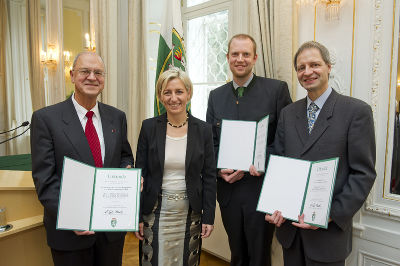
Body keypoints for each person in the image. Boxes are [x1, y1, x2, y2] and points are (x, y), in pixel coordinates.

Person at [265, 41, 376, 266]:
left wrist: (330, 214)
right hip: (290, 232)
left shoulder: (356, 112)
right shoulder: (288, 113)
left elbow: (363, 173)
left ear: (328, 66)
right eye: (301, 67)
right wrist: (273, 205)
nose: (308, 72)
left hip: (328, 235)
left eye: (314, 64)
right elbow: (278, 163)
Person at [31, 51, 134, 266]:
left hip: (111, 230)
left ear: (104, 79)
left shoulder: (117, 117)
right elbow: (45, 179)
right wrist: (71, 216)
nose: (92, 77)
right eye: (85, 71)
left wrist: (128, 172)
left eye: (98, 72)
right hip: (70, 234)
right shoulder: (46, 119)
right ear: (72, 75)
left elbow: (124, 155)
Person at [206, 33, 292, 266]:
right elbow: (210, 143)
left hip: (261, 190)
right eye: (235, 54)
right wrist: (218, 169)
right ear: (228, 57)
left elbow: (288, 141)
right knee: (237, 254)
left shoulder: (276, 90)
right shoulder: (216, 96)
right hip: (228, 191)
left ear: (255, 58)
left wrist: (262, 163)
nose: (240, 59)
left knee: (260, 256)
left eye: (246, 54)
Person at [135, 67, 216, 265]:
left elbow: (209, 176)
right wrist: (135, 216)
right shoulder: (148, 127)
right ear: (160, 96)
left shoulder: (203, 130)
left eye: (179, 91)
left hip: (190, 212)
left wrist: (209, 216)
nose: (174, 98)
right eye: (167, 92)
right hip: (154, 212)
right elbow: (140, 175)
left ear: (188, 93)